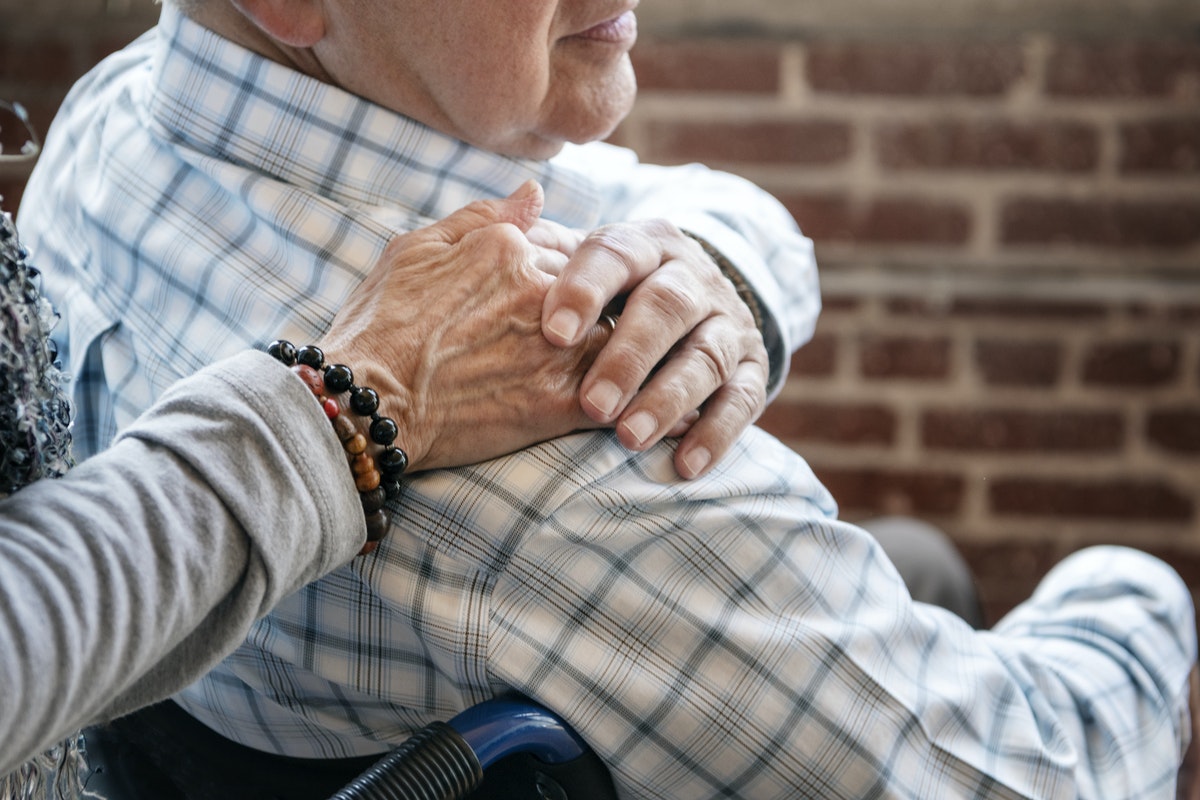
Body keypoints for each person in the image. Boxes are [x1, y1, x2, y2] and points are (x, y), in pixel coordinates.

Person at [16, 0, 1198, 797]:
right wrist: (1147, 599)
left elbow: (651, 189)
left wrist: (705, 265)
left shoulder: (121, 111)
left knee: (921, 564)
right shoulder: (576, 455)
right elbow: (1006, 771)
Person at [0, 187, 625, 780]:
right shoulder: (573, 526)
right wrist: (370, 393)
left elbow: (649, 185)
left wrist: (701, 259)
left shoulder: (107, 106)